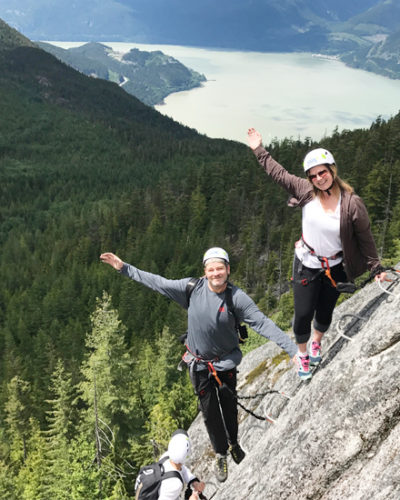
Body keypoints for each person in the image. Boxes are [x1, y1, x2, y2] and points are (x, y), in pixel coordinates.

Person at [100, 247, 298, 482]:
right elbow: (158, 283)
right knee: (210, 413)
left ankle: (233, 442)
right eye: (211, 269)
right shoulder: (191, 289)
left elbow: (262, 323)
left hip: (225, 364)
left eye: (220, 269)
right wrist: (125, 269)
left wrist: (293, 349)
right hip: (199, 365)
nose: (216, 273)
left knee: (229, 405)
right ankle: (221, 453)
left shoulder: (236, 298)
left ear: (228, 270)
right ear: (205, 272)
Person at [247, 127, 387, 381]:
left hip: (335, 267)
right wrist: (259, 150)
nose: (319, 178)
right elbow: (278, 174)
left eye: (322, 172)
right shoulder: (305, 191)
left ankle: (316, 343)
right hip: (306, 263)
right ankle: (302, 354)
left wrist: (376, 268)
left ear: (332, 170)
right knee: (302, 314)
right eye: (313, 175)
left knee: (324, 312)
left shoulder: (352, 203)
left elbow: (365, 237)